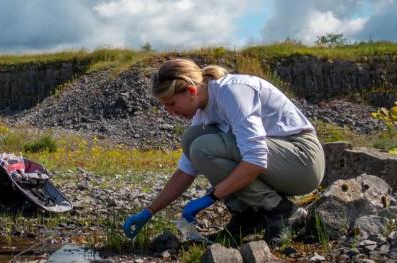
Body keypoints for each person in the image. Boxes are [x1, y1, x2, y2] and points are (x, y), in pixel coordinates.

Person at [123, 58, 324, 243]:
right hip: (282, 162)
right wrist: (149, 211)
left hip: (303, 161)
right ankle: (247, 215)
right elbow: (186, 171)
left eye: (172, 104)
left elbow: (256, 158)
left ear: (191, 91)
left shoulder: (232, 92)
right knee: (193, 139)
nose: (171, 112)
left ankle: (283, 212)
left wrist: (210, 198)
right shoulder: (202, 113)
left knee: (203, 147)